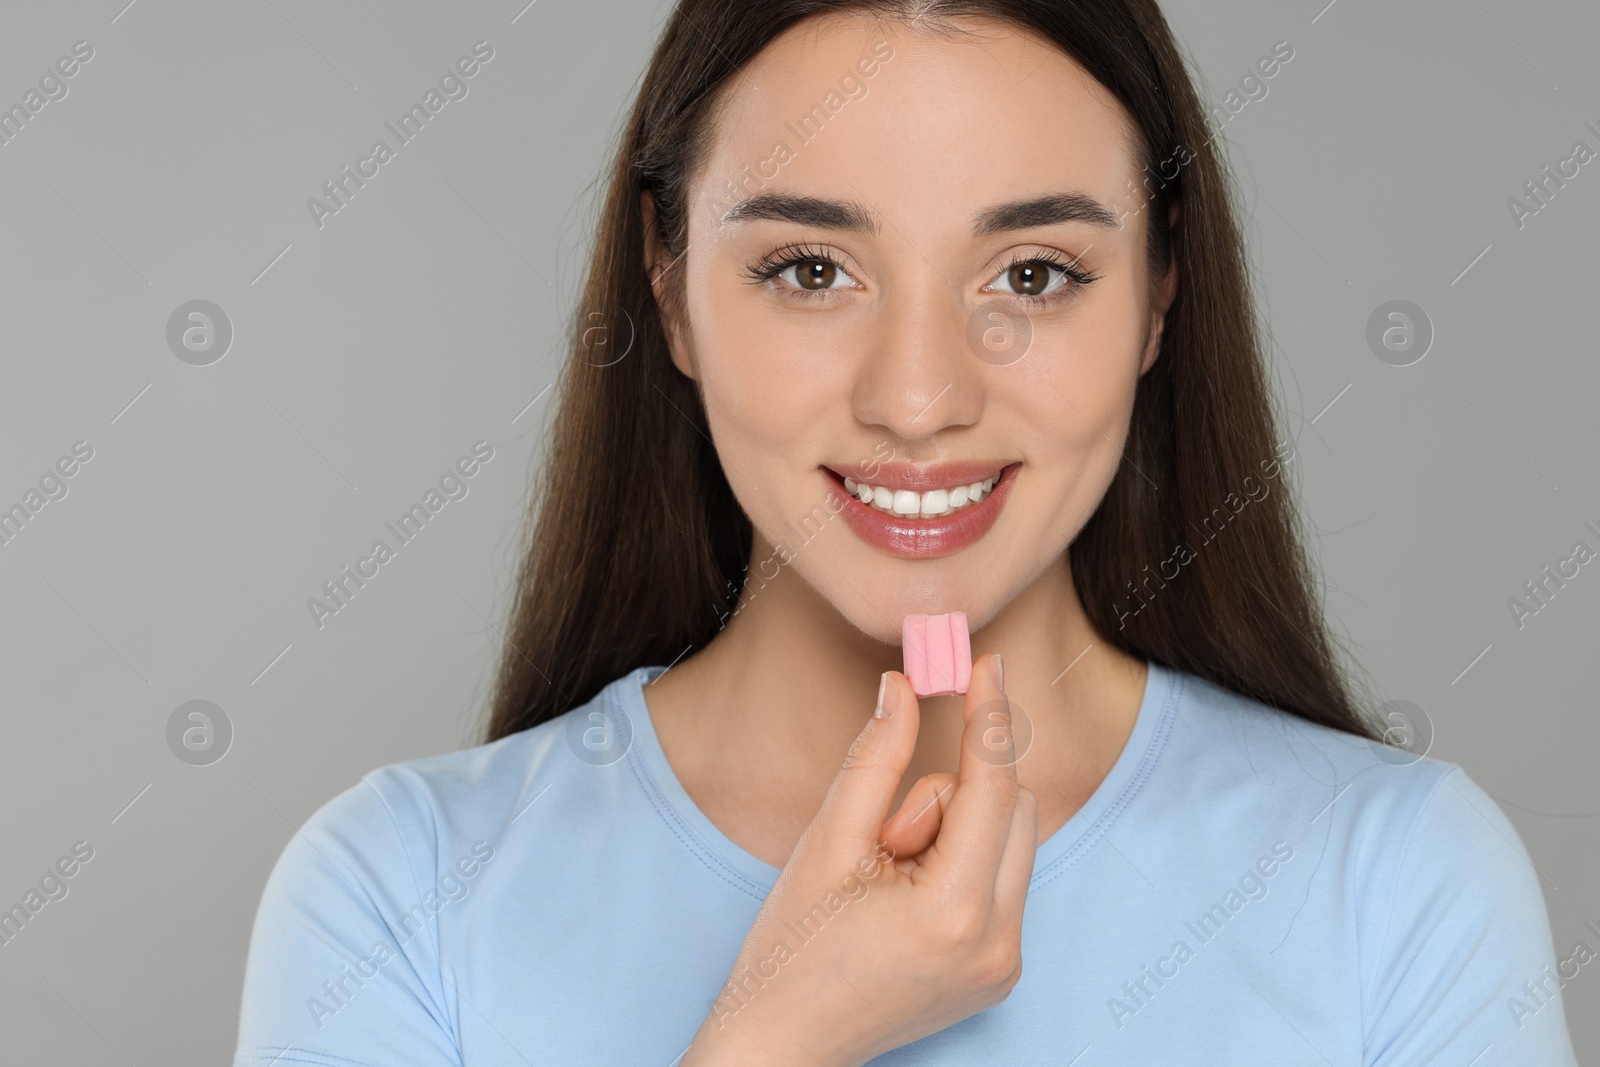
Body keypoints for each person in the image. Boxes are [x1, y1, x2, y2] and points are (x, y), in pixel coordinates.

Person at [233, 2, 1580, 1064]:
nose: (921, 399)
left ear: (1162, 291)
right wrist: (778, 1039)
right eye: (811, 271)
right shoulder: (394, 898)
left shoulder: (1395, 885)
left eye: (1035, 273)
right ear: (671, 283)